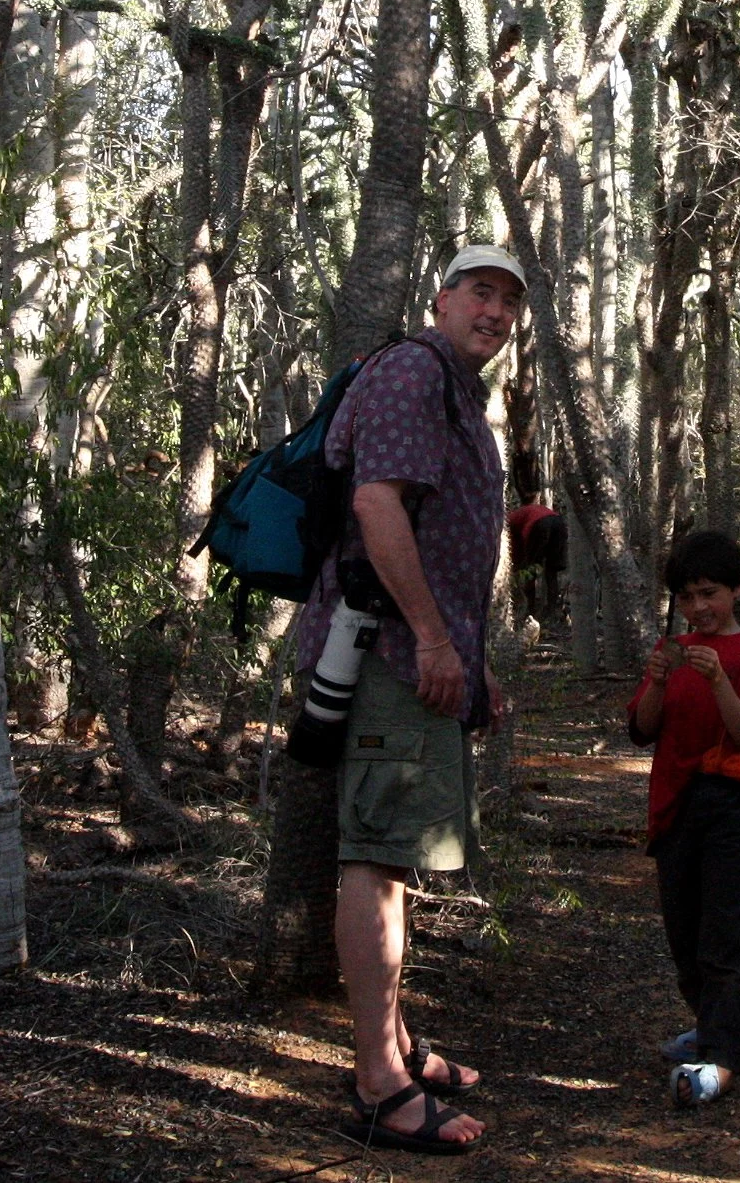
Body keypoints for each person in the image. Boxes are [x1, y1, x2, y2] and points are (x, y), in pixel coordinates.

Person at [316, 246, 525, 1155]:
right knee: (373, 853)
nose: (495, 310)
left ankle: (397, 1044)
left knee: (393, 854)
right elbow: (376, 504)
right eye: (480, 291)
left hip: (427, 658)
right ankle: (377, 1082)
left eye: (510, 299)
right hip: (391, 657)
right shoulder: (412, 370)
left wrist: (471, 659)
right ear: (440, 298)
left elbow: (449, 537)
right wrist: (436, 641)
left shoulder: (455, 389)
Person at [628, 530, 740, 1109]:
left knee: (727, 930)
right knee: (684, 933)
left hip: (728, 801)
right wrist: (660, 681)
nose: (698, 608)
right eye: (688, 597)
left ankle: (720, 1055)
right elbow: (643, 728)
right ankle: (716, 1025)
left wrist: (719, 680)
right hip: (673, 804)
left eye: (709, 593)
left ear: (738, 588)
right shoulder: (674, 651)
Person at [506, 499, 567, 617]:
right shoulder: (524, 513)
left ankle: (530, 610)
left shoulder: (509, 521)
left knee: (530, 569)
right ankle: (552, 610)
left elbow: (515, 549)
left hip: (539, 525)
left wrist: (517, 564)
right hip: (559, 524)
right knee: (551, 572)